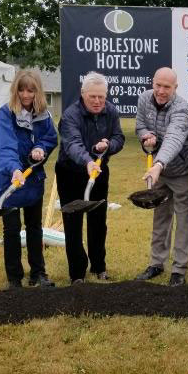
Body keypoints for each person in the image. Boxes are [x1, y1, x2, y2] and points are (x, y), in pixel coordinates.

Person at [0, 69, 58, 289]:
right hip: (9, 179)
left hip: (33, 179)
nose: (26, 95)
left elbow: (50, 138)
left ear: (37, 91)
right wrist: (14, 169)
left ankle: (38, 273)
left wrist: (40, 149)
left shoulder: (44, 115)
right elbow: (4, 146)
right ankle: (14, 278)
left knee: (34, 226)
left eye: (30, 90)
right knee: (11, 229)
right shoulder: (6, 114)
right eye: (22, 90)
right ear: (15, 90)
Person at [56, 72, 125, 284]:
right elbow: (72, 144)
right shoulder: (70, 115)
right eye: (92, 97)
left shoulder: (110, 111)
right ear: (83, 94)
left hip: (99, 173)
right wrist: (87, 161)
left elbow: (119, 137)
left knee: (98, 222)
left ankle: (98, 267)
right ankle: (77, 273)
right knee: (73, 223)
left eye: (101, 97)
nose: (97, 101)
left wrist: (109, 145)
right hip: (71, 173)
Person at [133, 67, 188, 287]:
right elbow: (140, 125)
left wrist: (158, 164)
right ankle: (156, 263)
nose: (161, 91)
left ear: (175, 88)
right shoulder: (144, 98)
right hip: (161, 173)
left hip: (183, 171)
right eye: (158, 85)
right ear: (153, 83)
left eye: (167, 87)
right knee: (160, 217)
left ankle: (179, 270)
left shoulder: (181, 109)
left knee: (183, 220)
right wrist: (146, 136)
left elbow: (173, 138)